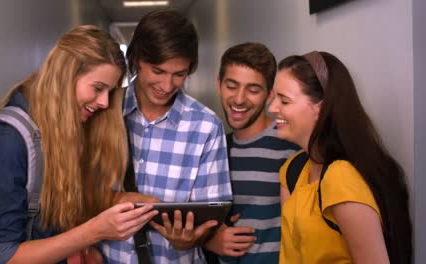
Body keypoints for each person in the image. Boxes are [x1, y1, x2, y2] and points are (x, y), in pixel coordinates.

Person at [0, 25, 158, 264]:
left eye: (110, 92)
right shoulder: (6, 140)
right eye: (98, 88)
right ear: (65, 76)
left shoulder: (62, 128)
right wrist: (95, 232)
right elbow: (4, 257)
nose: (104, 102)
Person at [102, 8, 233, 263]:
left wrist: (193, 238)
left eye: (179, 74)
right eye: (158, 71)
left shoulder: (206, 126)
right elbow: (71, 194)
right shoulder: (102, 110)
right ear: (137, 59)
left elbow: (213, 215)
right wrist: (115, 199)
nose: (167, 86)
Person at [268, 51, 412, 263]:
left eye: (285, 101)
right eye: (274, 98)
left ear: (321, 107)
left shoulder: (341, 177)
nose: (272, 108)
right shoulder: (292, 171)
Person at [203, 43, 299, 263]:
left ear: (269, 95)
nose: (239, 99)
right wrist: (209, 241)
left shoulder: (291, 147)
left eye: (253, 90)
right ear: (219, 85)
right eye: (231, 86)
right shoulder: (214, 149)